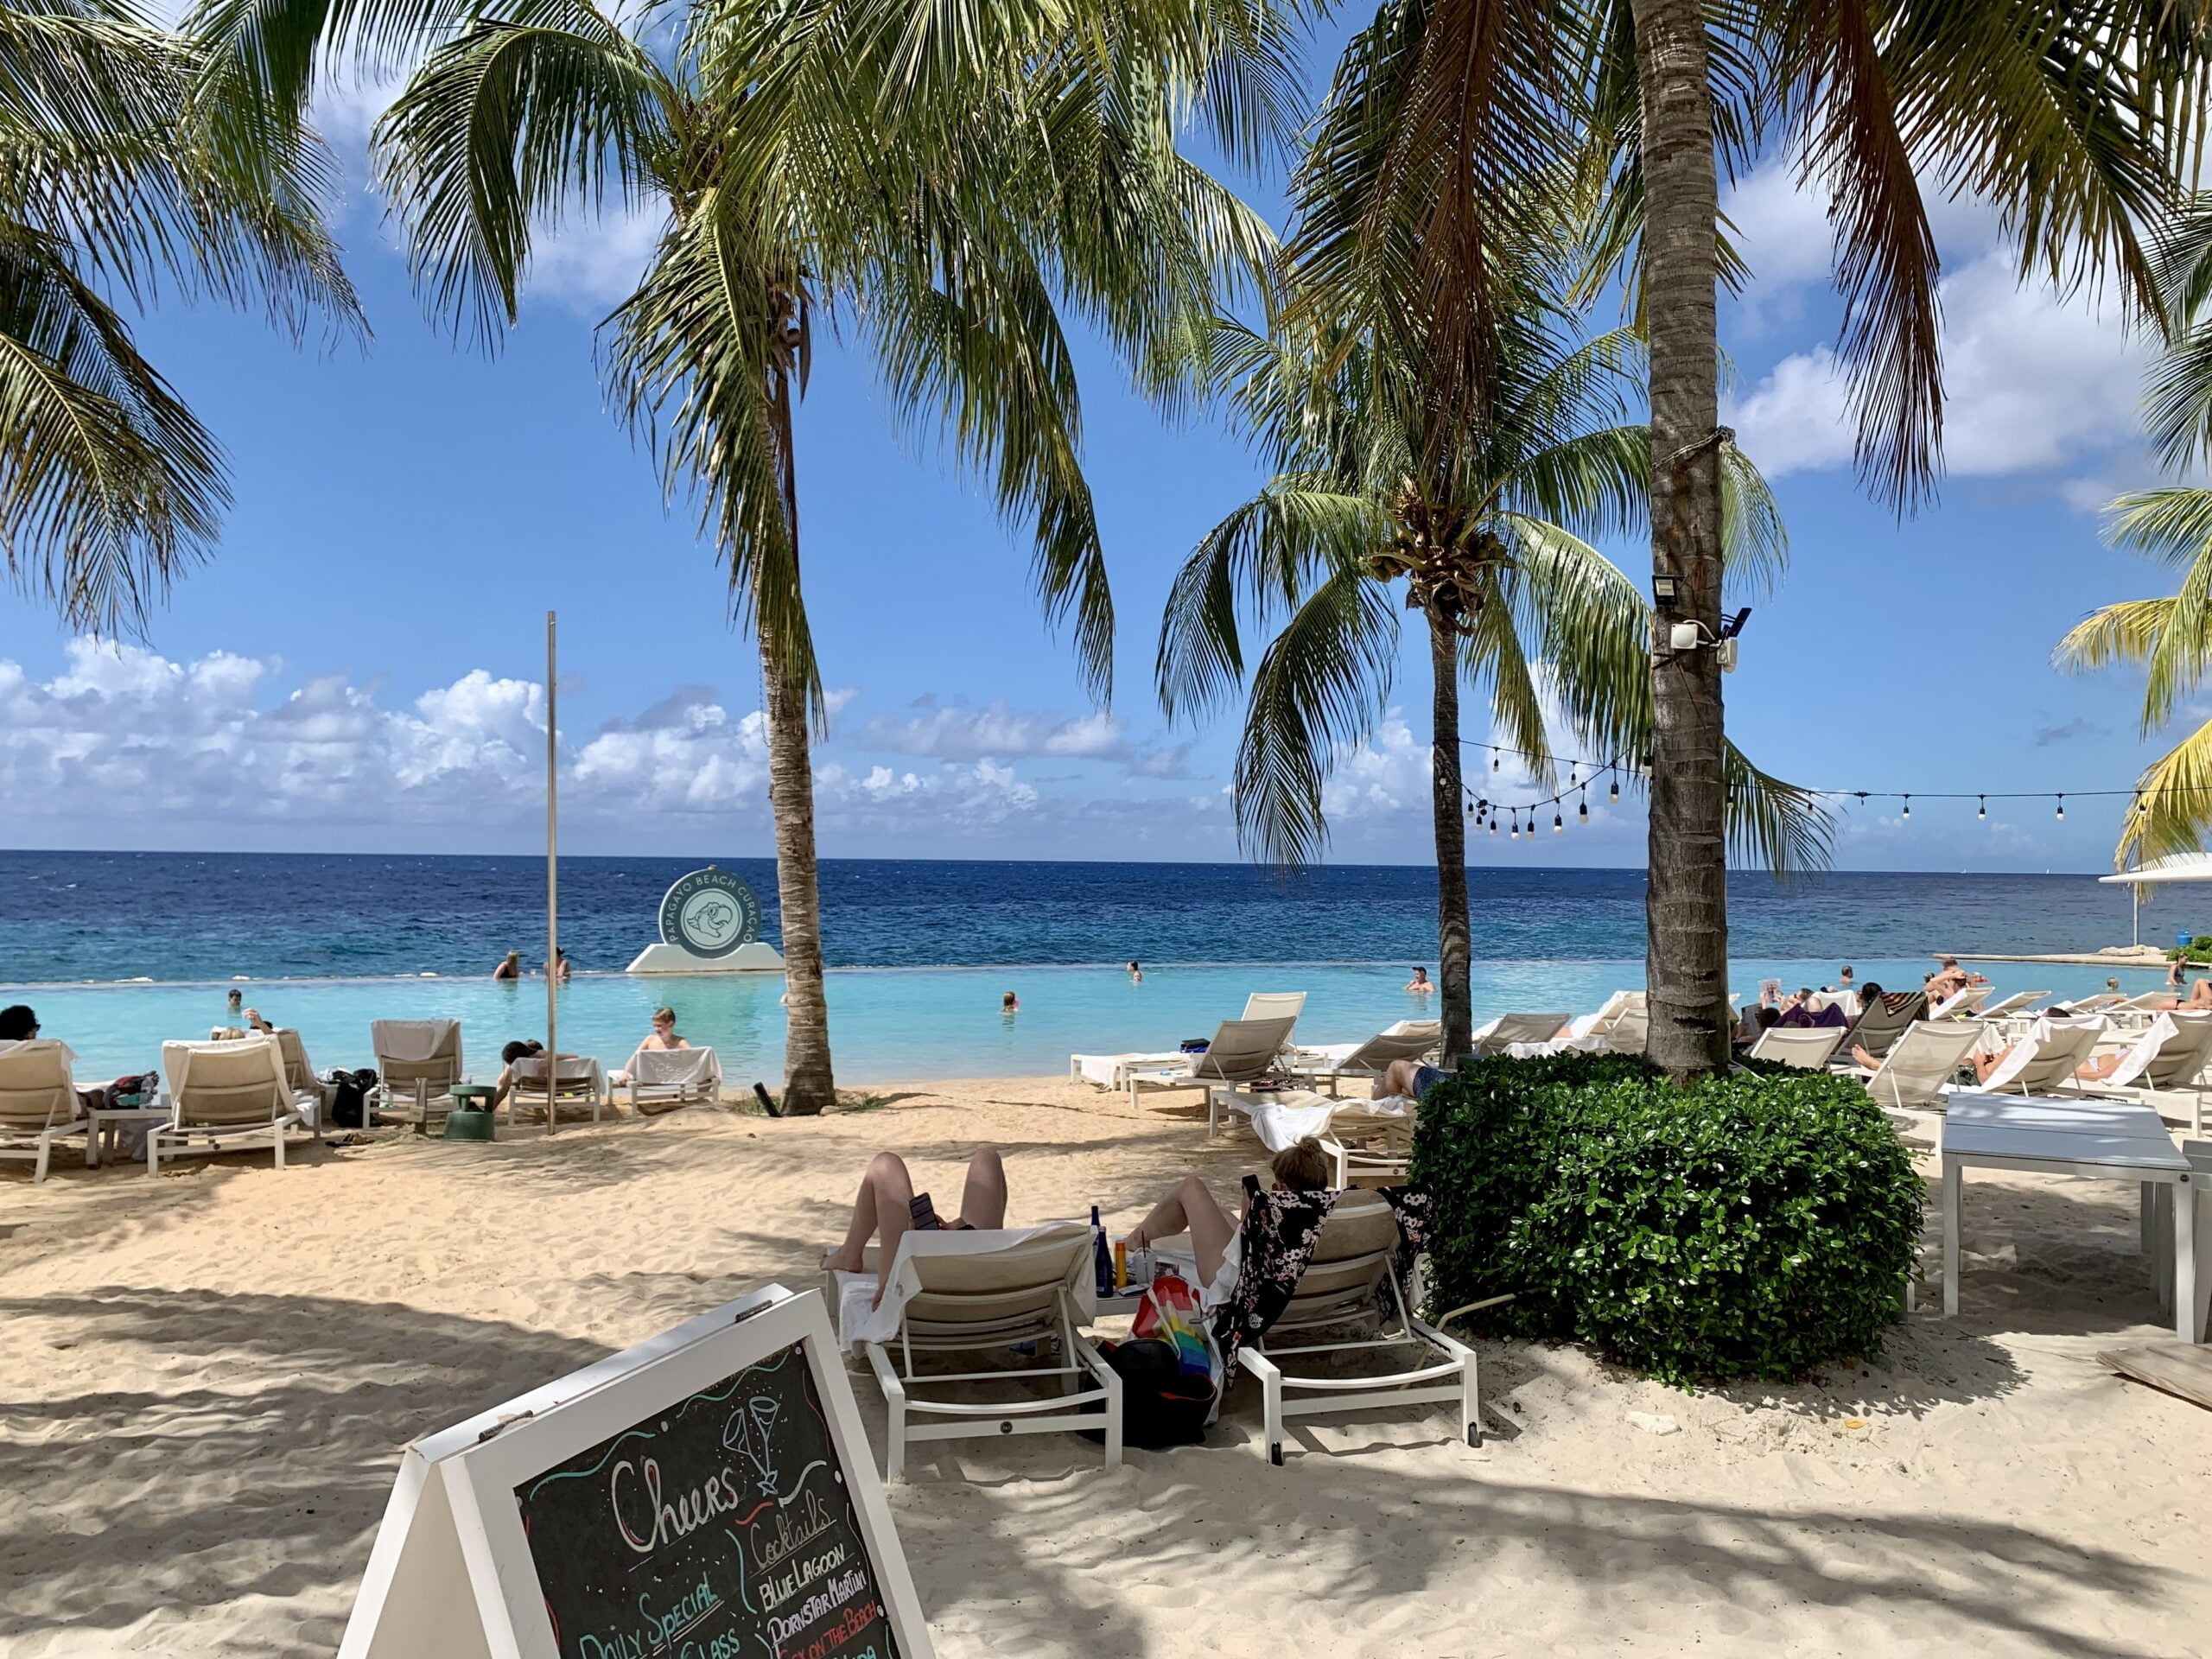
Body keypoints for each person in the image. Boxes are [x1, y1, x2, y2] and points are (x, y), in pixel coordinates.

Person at [1118, 1138, 1334, 1314]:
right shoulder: (1329, 1214)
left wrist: (1248, 1215)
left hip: (1238, 1291)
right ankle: (1139, 1238)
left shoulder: (1277, 1216)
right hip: (1309, 1292)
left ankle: (1135, 1240)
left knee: (1191, 1187)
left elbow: (1248, 1259)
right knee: (1217, 1211)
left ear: (1282, 1187)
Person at [823, 1148, 1008, 1306]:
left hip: (916, 1304)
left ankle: (849, 1254)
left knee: (885, 1166)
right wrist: (960, 1235)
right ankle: (958, 1237)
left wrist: (910, 1247)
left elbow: (884, 1302)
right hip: (980, 1300)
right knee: (988, 1158)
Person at [491, 1039, 545, 1109]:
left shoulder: (518, 1067)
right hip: (546, 1088)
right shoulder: (545, 1061)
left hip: (527, 1087)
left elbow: (500, 1082)